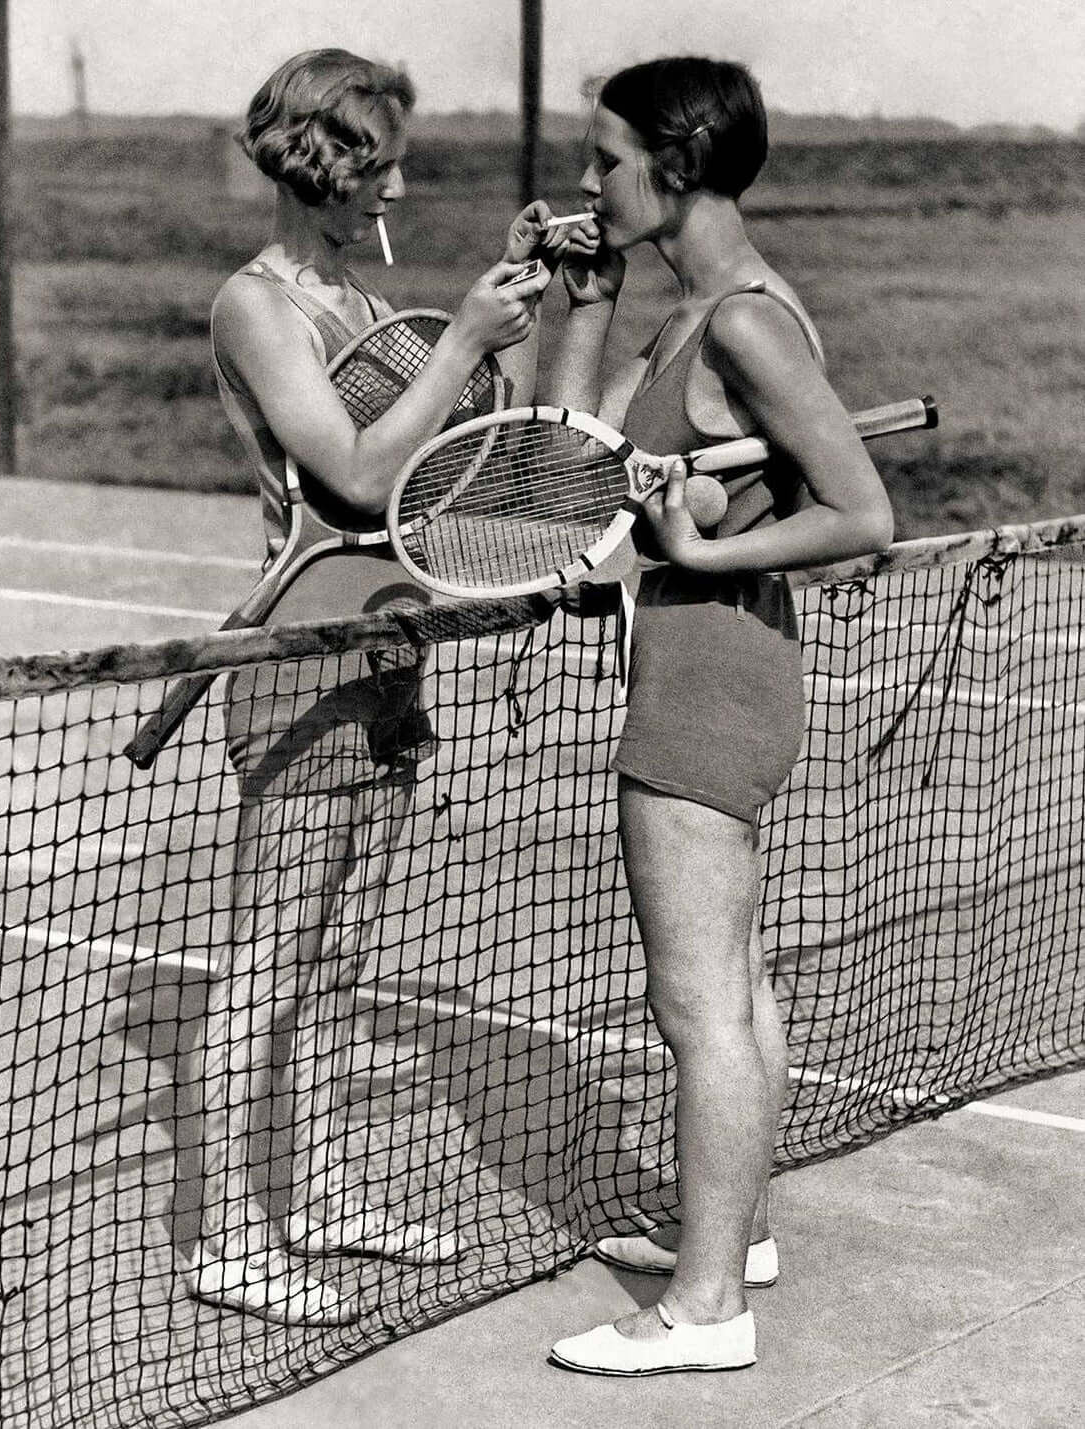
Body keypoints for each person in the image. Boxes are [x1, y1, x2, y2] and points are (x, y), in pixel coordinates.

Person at [178, 47, 555, 1328]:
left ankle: (326, 1194)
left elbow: (452, 459)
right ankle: (232, 1233)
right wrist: (458, 335)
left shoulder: (346, 288)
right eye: (382, 157)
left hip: (393, 651)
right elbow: (346, 473)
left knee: (336, 961)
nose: (401, 176)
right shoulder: (258, 305)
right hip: (301, 668)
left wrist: (502, 320)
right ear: (328, 166)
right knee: (268, 962)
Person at [536, 57, 894, 1374]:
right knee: (731, 986)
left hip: (709, 663)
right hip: (716, 653)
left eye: (605, 158)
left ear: (675, 166)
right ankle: (732, 1237)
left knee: (696, 1003)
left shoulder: (745, 321)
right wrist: (589, 299)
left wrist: (692, 550)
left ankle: (702, 1312)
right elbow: (569, 463)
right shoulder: (705, 309)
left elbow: (860, 517)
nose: (587, 181)